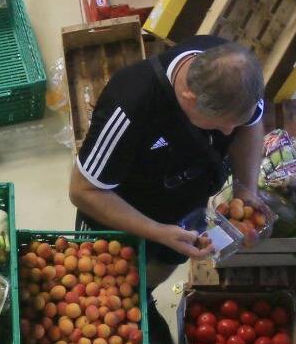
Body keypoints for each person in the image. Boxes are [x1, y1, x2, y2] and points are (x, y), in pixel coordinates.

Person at [68, 35, 267, 262]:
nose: (229, 133)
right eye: (218, 123)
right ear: (189, 98)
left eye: (236, 123)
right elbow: (83, 191)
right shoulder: (129, 105)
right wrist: (157, 232)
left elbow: (251, 124)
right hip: (123, 215)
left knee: (165, 263)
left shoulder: (237, 77)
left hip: (185, 208)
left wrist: (246, 190)